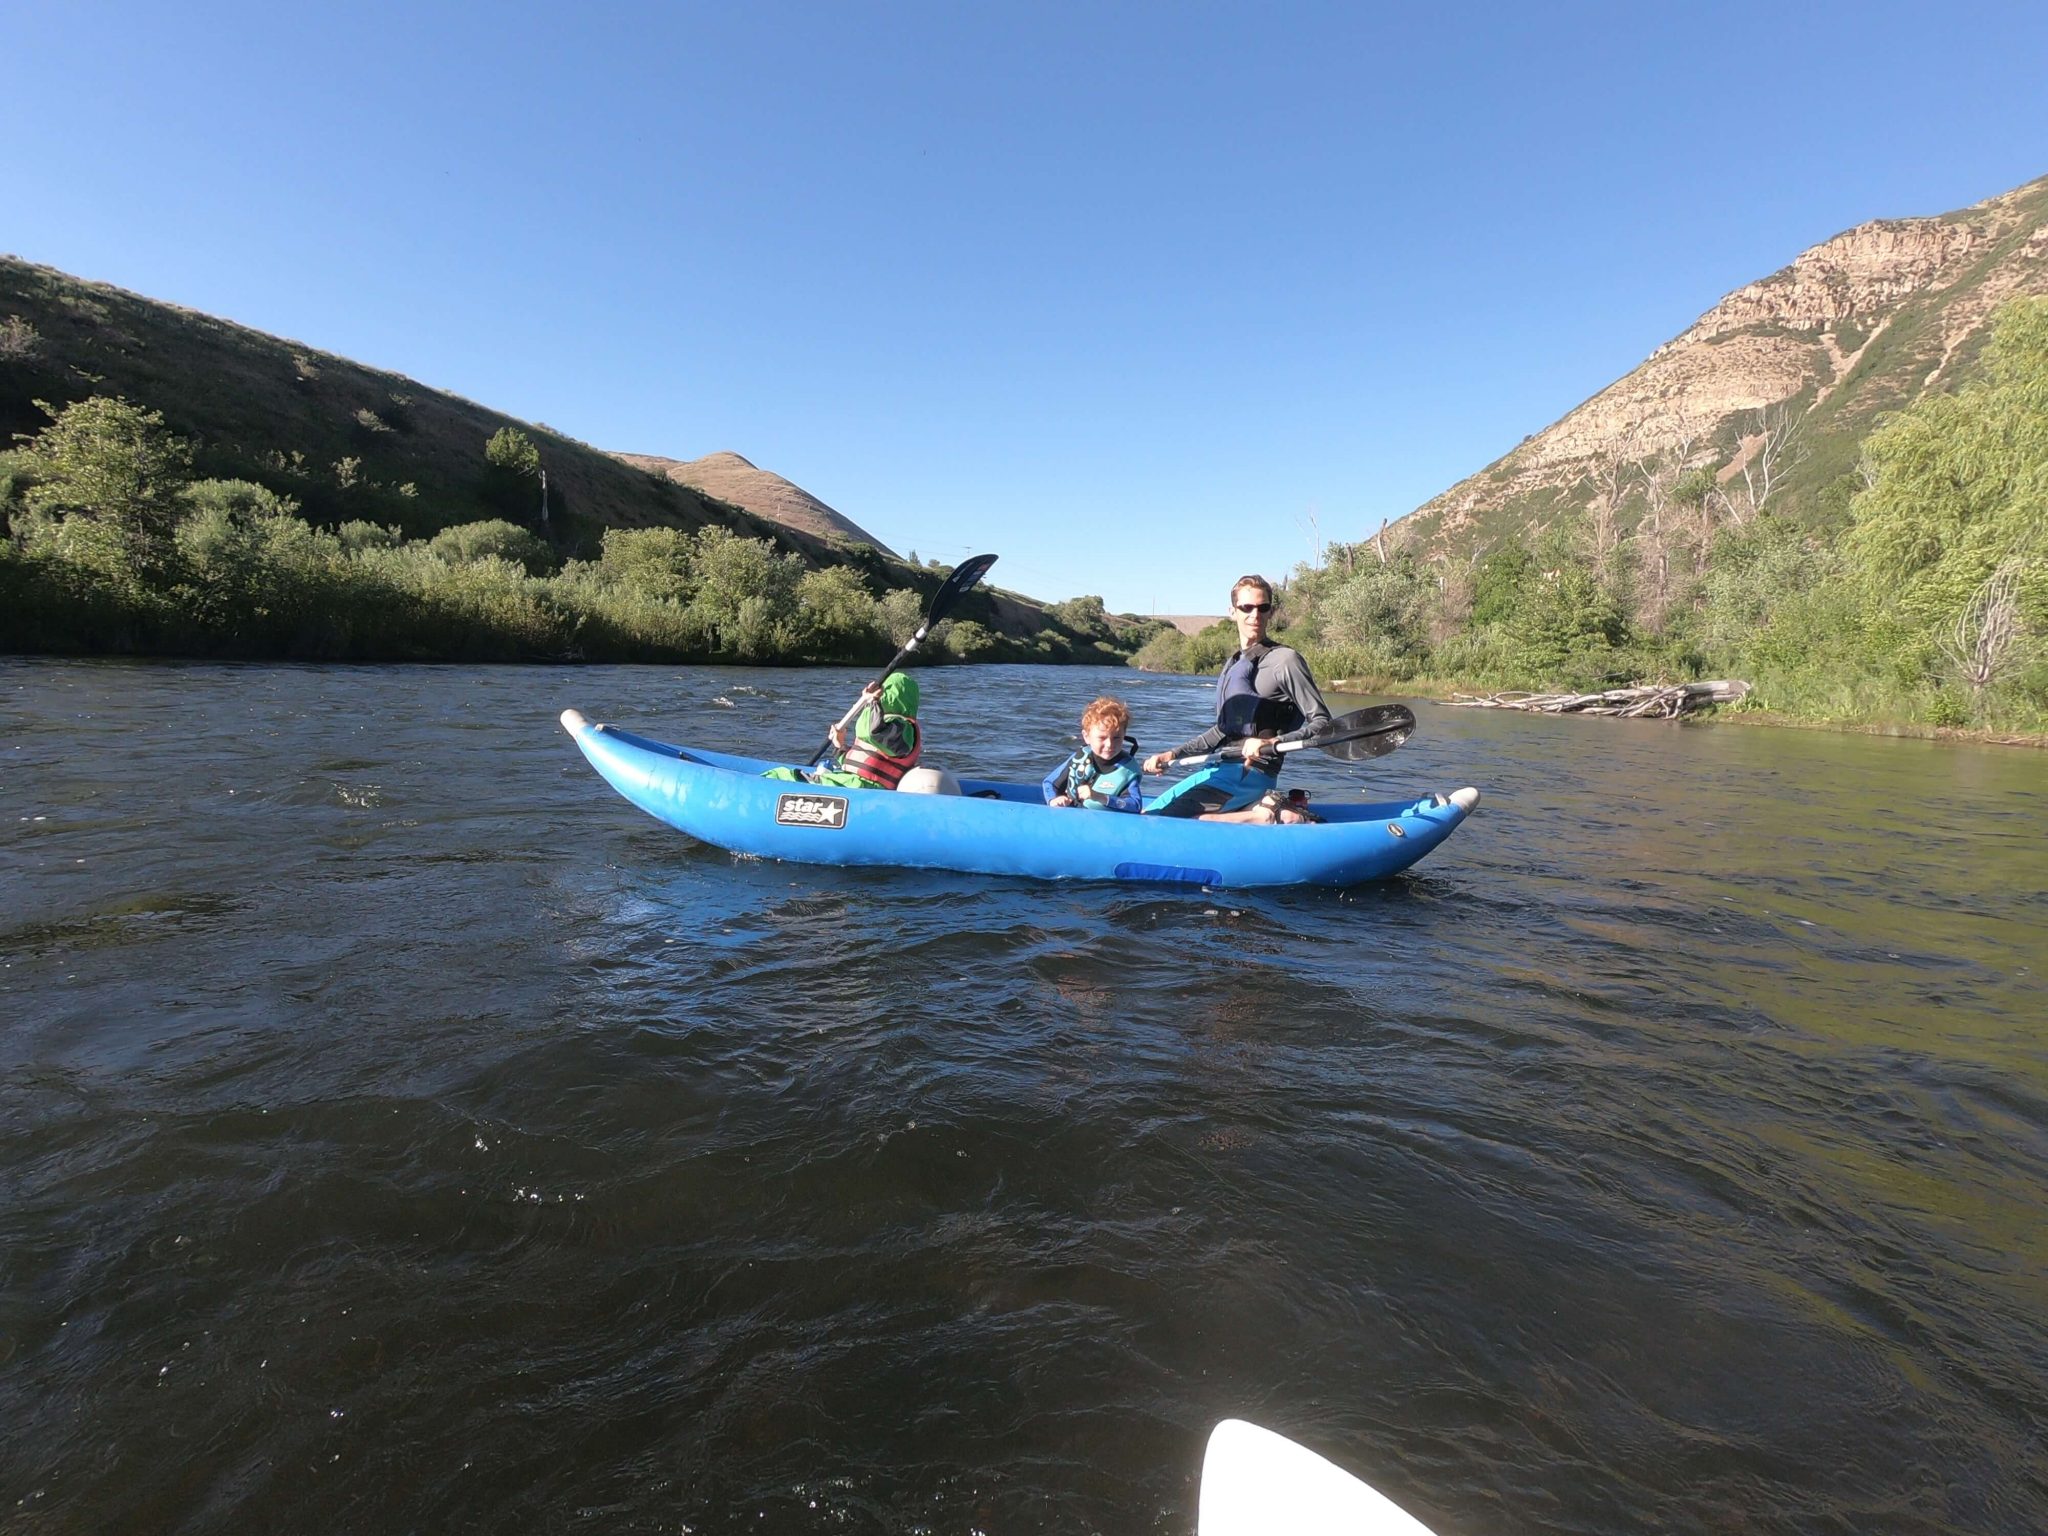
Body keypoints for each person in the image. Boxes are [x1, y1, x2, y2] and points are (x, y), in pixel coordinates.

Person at [1141, 575, 1331, 824]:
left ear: (1271, 611)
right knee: (1148, 815)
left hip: (1252, 773)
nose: (1255, 615)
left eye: (1263, 608)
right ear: (1233, 612)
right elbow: (1222, 731)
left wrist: (1273, 741)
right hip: (1219, 768)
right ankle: (1260, 807)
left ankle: (1268, 815)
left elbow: (1323, 724)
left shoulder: (1285, 660)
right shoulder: (1234, 664)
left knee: (1165, 823)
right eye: (1247, 607)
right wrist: (1172, 754)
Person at [766, 671, 922, 789]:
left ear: (887, 695)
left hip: (862, 788)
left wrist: (872, 702)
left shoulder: (904, 729)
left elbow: (872, 731)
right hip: (854, 783)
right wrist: (839, 745)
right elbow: (862, 761)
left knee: (778, 775)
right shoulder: (886, 722)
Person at [1043, 696, 1144, 812]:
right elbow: (1050, 783)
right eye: (1102, 738)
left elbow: (1135, 805)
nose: (1109, 744)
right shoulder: (1079, 758)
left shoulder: (1128, 770)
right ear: (1087, 737)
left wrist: (1099, 797)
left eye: (1116, 738)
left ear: (1124, 735)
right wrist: (1053, 799)